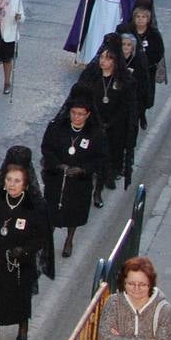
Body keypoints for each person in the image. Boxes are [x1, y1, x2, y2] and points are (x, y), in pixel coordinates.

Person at [0, 161, 49, 340]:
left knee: (20, 297)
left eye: (17, 181)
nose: (12, 184)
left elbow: (40, 237)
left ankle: (22, 329)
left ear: (25, 184)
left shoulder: (33, 205)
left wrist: (24, 251)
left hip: (20, 263)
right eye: (9, 180)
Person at [41, 90, 106, 257]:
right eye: (74, 113)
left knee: (73, 211)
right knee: (52, 210)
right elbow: (47, 148)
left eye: (81, 114)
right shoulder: (57, 128)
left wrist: (83, 169)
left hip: (79, 181)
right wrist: (58, 165)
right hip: (56, 177)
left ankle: (69, 239)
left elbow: (99, 158)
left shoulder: (95, 134)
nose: (77, 117)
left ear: (88, 115)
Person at [77, 35, 140, 194]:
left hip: (113, 127)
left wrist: (110, 123)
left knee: (107, 160)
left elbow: (126, 107)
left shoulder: (125, 81)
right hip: (93, 124)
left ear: (115, 61)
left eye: (108, 58)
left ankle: (100, 190)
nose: (103, 61)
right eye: (102, 57)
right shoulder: (92, 77)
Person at [117, 0, 165, 129]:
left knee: (142, 96)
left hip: (146, 71)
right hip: (129, 68)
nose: (140, 20)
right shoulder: (128, 31)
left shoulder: (153, 34)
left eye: (143, 17)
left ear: (148, 19)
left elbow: (159, 51)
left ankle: (141, 115)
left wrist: (146, 63)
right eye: (138, 16)